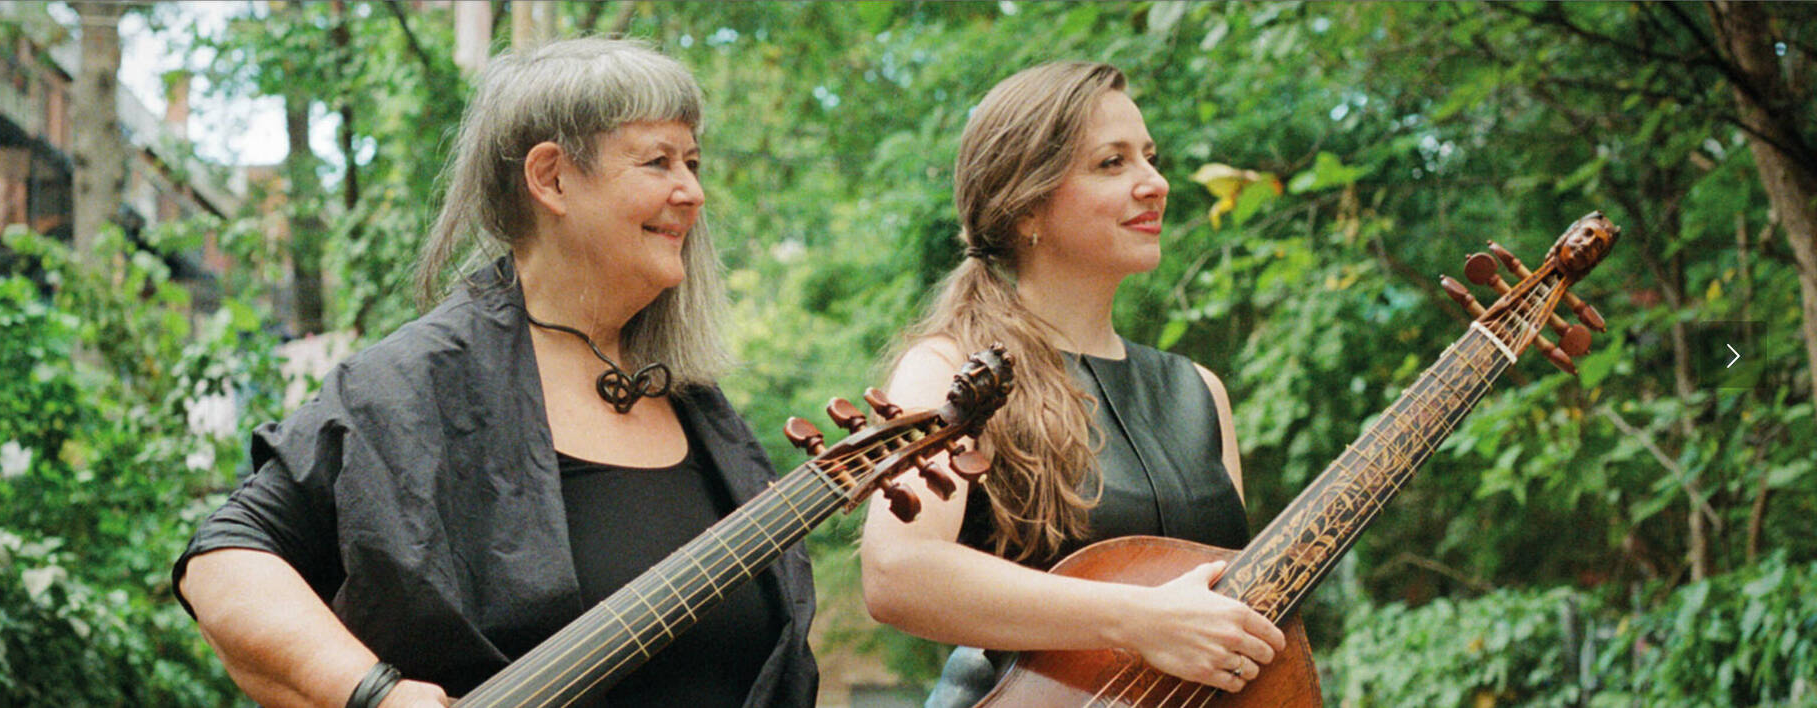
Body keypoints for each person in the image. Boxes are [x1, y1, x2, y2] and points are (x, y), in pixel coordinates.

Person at [174, 38, 817, 708]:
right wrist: (375, 695)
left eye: (692, 161)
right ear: (551, 178)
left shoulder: (698, 409)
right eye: (658, 161)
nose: (693, 192)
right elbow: (225, 561)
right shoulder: (410, 386)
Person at [858, 61, 1287, 706]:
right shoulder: (947, 368)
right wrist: (1138, 620)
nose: (1155, 183)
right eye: (1113, 163)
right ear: (1027, 203)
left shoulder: (1199, 391)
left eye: (1150, 156)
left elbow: (1219, 611)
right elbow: (898, 574)